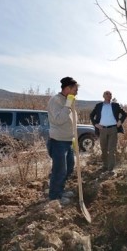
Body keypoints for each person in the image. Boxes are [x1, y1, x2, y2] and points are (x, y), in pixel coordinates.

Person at [46, 77, 79, 205]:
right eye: (75, 90)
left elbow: (72, 121)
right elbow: (58, 120)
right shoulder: (56, 100)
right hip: (58, 141)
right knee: (59, 170)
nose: (76, 93)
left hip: (67, 141)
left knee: (69, 167)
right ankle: (55, 197)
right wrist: (67, 105)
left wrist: (73, 138)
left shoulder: (68, 101)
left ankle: (60, 190)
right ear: (67, 89)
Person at [90, 90, 127, 172]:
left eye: (110, 94)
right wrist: (95, 124)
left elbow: (125, 114)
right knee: (103, 149)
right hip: (102, 129)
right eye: (107, 94)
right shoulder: (99, 106)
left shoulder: (115, 105)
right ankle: (105, 166)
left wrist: (120, 121)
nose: (109, 95)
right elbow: (91, 115)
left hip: (113, 129)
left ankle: (110, 169)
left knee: (111, 149)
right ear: (103, 96)